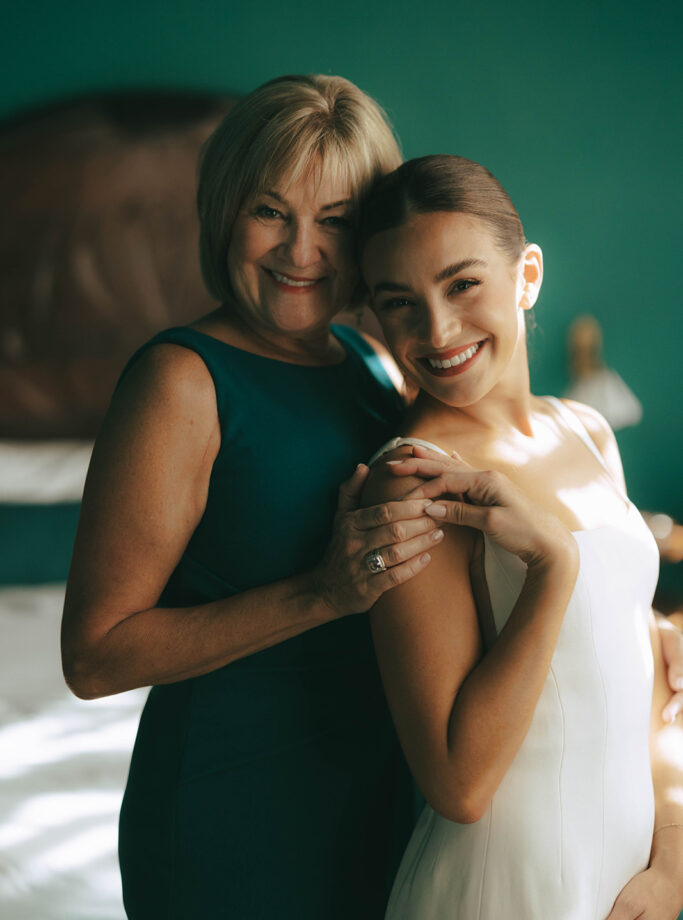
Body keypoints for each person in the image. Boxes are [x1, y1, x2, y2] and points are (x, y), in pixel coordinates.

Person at [60, 75, 444, 919]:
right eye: (271, 211)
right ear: (225, 211)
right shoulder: (181, 381)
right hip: (229, 814)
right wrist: (321, 591)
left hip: (370, 795)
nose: (300, 250)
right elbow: (94, 657)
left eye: (334, 219)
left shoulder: (372, 366)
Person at [358, 154, 683, 919]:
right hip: (509, 887)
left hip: (632, 880)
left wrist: (670, 855)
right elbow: (458, 784)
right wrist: (550, 570)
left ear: (525, 275)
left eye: (461, 284)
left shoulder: (588, 432)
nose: (436, 331)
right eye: (399, 302)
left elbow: (638, 685)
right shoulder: (415, 479)